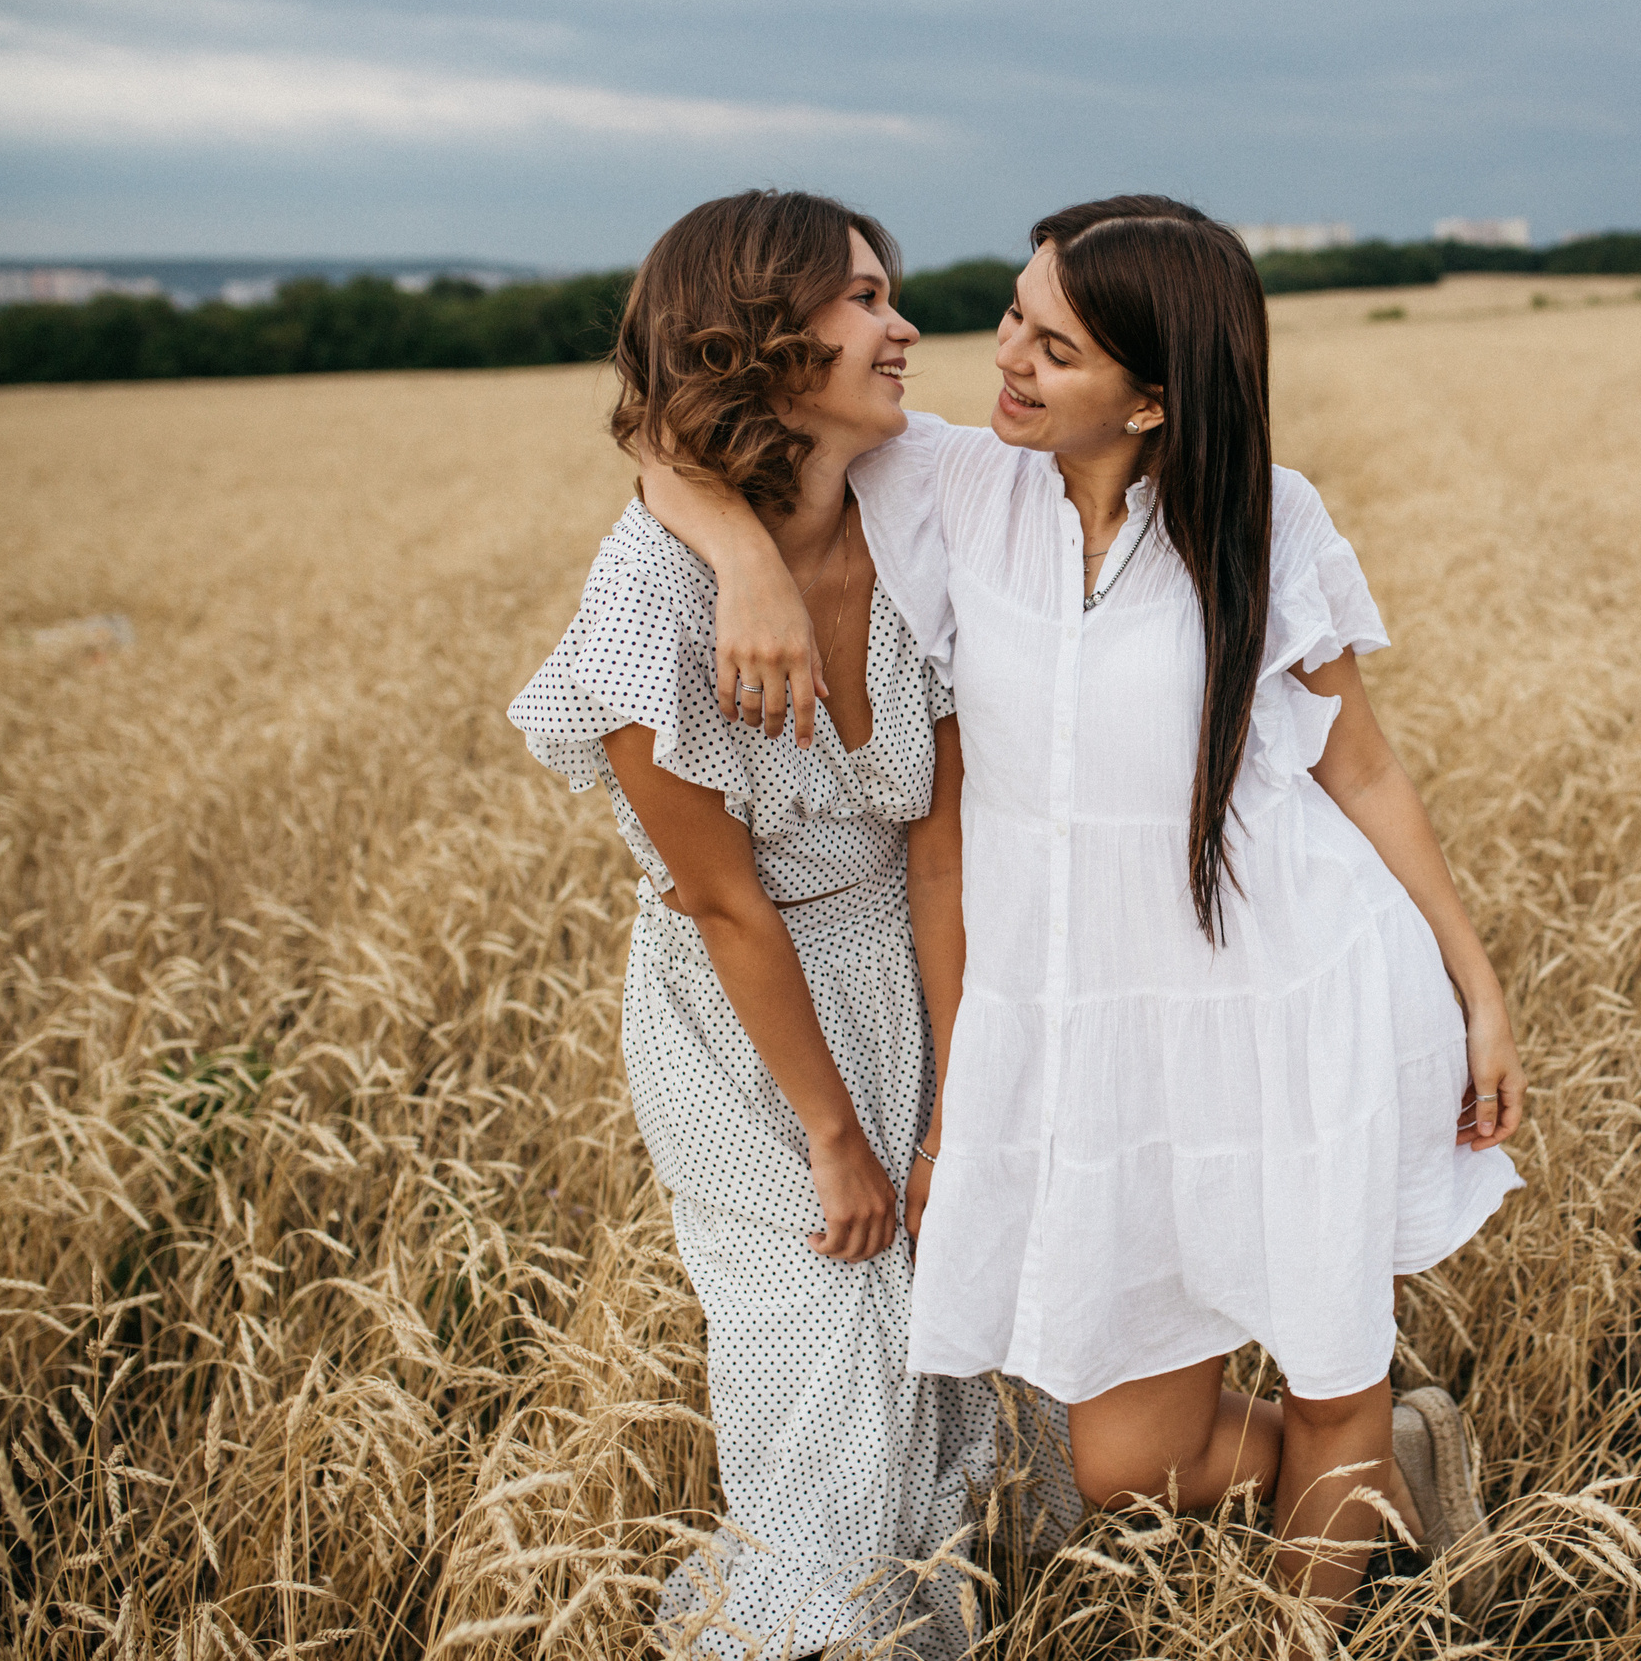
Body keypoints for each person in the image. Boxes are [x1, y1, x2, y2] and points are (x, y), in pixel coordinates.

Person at [638, 195, 1528, 1624]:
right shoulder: (954, 487)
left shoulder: (1266, 520)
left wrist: (1478, 987)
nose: (1004, 356)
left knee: (1325, 1358)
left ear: (1157, 395)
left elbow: (1360, 766)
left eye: (1054, 345)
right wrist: (742, 558)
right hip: (1101, 1037)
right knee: (1121, 1457)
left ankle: (1310, 1614)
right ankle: (1404, 1471)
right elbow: (675, 433)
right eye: (1012, 314)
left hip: (1294, 1000)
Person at [507, 189, 1067, 1661]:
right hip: (748, 1033)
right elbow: (722, 900)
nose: (906, 326)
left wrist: (953, 1111)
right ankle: (816, 1632)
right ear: (765, 336)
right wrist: (838, 1132)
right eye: (868, 300)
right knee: (822, 1373)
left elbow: (939, 862)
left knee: (958, 1363)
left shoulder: (922, 522)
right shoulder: (646, 604)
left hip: (917, 973)